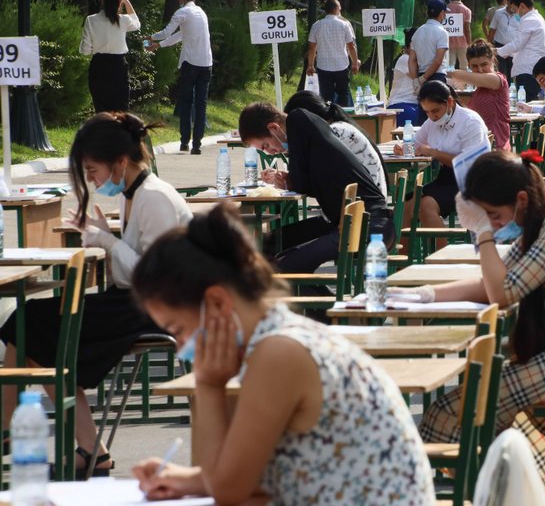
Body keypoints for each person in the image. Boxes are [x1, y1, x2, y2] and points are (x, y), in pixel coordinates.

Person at [130, 205, 435, 506]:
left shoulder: (278, 354)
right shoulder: (279, 338)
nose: (181, 344)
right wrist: (184, 479)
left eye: (178, 328)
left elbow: (228, 490)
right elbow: (251, 476)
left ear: (216, 302)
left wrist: (208, 385)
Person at [406, 150, 545, 504]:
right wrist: (422, 296)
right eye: (489, 218)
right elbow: (495, 282)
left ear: (521, 199)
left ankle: (485, 492)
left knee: (458, 409)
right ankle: (498, 491)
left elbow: (503, 293)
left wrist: (482, 235)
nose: (494, 223)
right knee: (466, 404)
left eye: (494, 215)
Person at [0, 112, 192, 477]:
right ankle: (87, 449)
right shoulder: (133, 193)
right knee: (31, 326)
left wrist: (105, 240)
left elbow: (153, 278)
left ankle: (15, 431)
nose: (92, 181)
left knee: (31, 325)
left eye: (92, 171)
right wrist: (108, 237)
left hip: (156, 307)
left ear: (120, 162)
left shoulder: (153, 197)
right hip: (136, 300)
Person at [238, 103, 394, 273]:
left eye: (266, 146)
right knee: (269, 242)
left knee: (280, 270)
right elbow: (309, 184)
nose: (270, 152)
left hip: (369, 226)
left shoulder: (298, 119)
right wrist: (289, 180)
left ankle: (323, 299)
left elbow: (301, 184)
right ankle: (317, 296)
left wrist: (289, 181)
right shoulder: (306, 129)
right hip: (347, 222)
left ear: (274, 127)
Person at [393, 81, 490, 229]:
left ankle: (441, 252)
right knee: (404, 207)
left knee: (425, 206)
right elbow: (416, 142)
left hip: (471, 181)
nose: (432, 116)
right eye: (427, 112)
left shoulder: (470, 121)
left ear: (450, 102)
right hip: (446, 178)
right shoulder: (433, 121)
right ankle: (405, 253)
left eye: (435, 111)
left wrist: (434, 153)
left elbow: (468, 164)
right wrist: (404, 148)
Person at [283, 91, 388, 197]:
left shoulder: (335, 133)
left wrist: (289, 181)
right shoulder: (338, 128)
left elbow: (313, 182)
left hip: (362, 208)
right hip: (362, 203)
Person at [147, 0, 212, 155]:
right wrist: (159, 45)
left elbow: (168, 32)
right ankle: (197, 145)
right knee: (201, 104)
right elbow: (180, 35)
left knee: (186, 101)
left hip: (190, 63)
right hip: (206, 64)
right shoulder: (201, 13)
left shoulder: (182, 12)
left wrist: (152, 38)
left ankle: (184, 141)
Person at [79, 0, 140, 113]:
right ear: (119, 2)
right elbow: (137, 23)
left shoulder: (91, 20)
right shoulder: (124, 20)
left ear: (102, 0)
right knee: (121, 109)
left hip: (99, 66)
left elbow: (85, 50)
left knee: (102, 109)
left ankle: (103, 131)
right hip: (118, 67)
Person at [446, 39, 511, 150]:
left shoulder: (498, 80)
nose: (480, 70)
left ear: (493, 61)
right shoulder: (478, 90)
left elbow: (457, 74)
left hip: (497, 147)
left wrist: (440, 71)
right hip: (480, 145)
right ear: (469, 66)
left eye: (484, 64)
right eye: (475, 66)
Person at [305, 0, 359, 108]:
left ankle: (327, 119)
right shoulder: (344, 25)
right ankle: (343, 118)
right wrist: (355, 63)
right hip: (341, 65)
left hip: (323, 65)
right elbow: (351, 46)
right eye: (339, 7)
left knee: (325, 97)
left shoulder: (316, 25)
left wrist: (310, 65)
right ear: (336, 9)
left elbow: (312, 48)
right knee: (343, 94)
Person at [496, 0, 545, 102]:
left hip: (527, 70)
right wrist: (506, 52)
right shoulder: (538, 19)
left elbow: (517, 44)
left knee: (525, 104)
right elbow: (526, 46)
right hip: (533, 68)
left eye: (515, 10)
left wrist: (496, 51)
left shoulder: (529, 20)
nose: (516, 14)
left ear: (522, 6)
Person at [410, 0, 451, 124]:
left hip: (421, 76)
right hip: (437, 77)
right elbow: (438, 60)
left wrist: (416, 80)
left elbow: (412, 60)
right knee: (440, 116)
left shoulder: (417, 32)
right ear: (442, 13)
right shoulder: (442, 32)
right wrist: (425, 78)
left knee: (424, 116)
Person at [388, 27, 420, 126]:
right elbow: (420, 76)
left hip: (413, 105)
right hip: (401, 105)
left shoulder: (414, 60)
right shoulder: (405, 59)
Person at [488, 0, 520, 81]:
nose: (513, 8)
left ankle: (510, 90)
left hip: (513, 47)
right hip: (499, 45)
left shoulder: (519, 15)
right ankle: (501, 89)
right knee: (501, 71)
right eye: (512, 5)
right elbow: (492, 29)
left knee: (511, 72)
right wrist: (489, 44)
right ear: (508, 2)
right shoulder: (498, 13)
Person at [447, 0, 472, 69]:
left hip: (448, 42)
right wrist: (469, 43)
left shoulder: (446, 8)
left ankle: (450, 82)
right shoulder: (467, 10)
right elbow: (467, 29)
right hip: (463, 42)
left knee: (450, 65)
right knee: (464, 65)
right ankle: (464, 82)